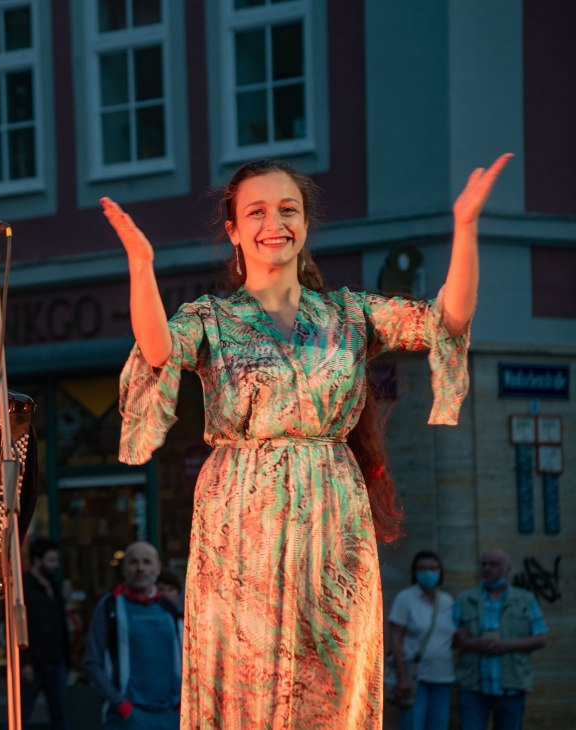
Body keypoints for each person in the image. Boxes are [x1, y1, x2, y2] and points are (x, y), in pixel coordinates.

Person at [104, 153, 511, 728]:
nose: (275, 222)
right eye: (258, 211)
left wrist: (466, 227)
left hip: (332, 514)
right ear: (235, 230)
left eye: (287, 209)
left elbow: (445, 318)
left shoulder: (348, 314)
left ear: (305, 223)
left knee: (333, 675)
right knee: (248, 677)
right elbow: (157, 350)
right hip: (242, 517)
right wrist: (141, 265)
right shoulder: (213, 318)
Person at [82, 542, 181, 730]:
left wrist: (179, 705)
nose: (140, 568)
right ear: (125, 569)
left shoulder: (168, 609)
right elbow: (92, 663)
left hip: (169, 716)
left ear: (158, 568)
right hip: (127, 718)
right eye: (133, 562)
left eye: (147, 562)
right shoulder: (109, 606)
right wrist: (121, 705)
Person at [453, 547, 548, 730]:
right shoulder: (465, 599)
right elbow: (454, 640)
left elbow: (541, 638)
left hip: (511, 687)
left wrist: (506, 646)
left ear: (507, 569)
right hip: (473, 687)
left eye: (494, 564)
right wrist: (474, 643)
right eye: (484, 564)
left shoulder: (525, 600)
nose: (487, 568)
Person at [386, 550, 456, 730]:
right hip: (415, 678)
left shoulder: (447, 601)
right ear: (415, 572)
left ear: (440, 572)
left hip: (443, 677)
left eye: (433, 568)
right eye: (423, 568)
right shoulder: (405, 598)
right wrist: (402, 677)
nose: (428, 572)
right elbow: (395, 638)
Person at [21, 537, 70, 730]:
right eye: (50, 560)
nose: (55, 565)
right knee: (22, 713)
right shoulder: (24, 587)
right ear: (37, 560)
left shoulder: (53, 586)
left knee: (60, 715)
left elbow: (60, 623)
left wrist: (67, 660)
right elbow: (16, 626)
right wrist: (24, 662)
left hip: (55, 660)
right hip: (33, 661)